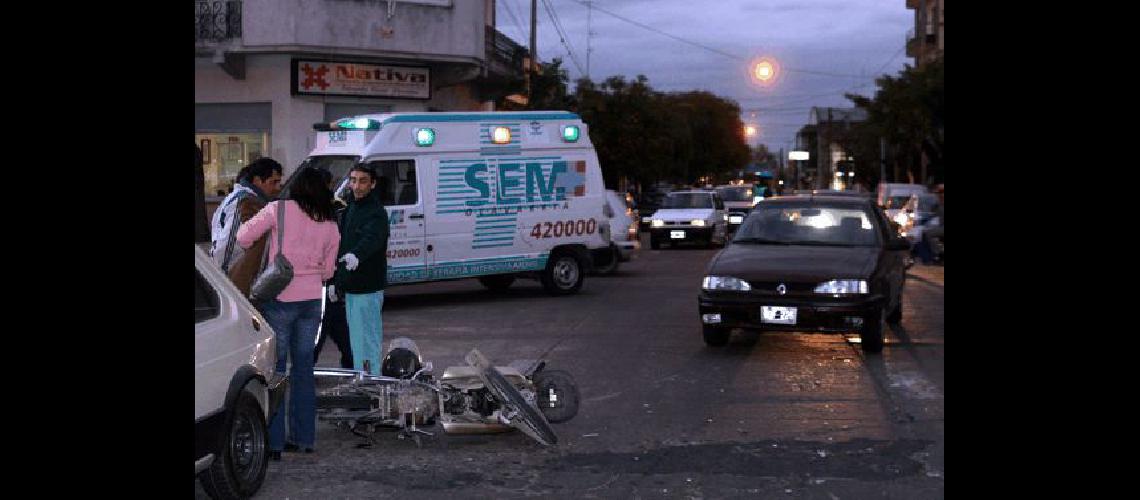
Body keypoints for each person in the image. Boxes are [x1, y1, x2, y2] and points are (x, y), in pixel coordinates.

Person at [235, 167, 341, 458]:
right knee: (304, 370)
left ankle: (274, 443)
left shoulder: (278, 209)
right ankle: (304, 439)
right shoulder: (330, 223)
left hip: (279, 297)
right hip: (311, 302)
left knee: (275, 371)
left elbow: (244, 237)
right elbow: (329, 270)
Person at [331, 164, 390, 375]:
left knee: (369, 339)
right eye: (353, 180)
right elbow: (343, 247)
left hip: (368, 287)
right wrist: (336, 281)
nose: (357, 185)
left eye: (363, 180)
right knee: (357, 340)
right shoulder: (350, 209)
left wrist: (357, 254)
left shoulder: (376, 212)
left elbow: (372, 238)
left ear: (372, 184)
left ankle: (373, 383)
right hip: (353, 288)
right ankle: (364, 380)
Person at [210, 158, 283, 295]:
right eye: (273, 182)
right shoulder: (244, 202)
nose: (277, 188)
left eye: (279, 182)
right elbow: (228, 245)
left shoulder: (247, 199)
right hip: (235, 279)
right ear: (257, 181)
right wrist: (225, 281)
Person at [314, 170, 354, 369]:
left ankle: (350, 366)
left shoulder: (334, 209)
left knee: (334, 330)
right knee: (328, 330)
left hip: (327, 281)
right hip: (324, 282)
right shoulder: (333, 208)